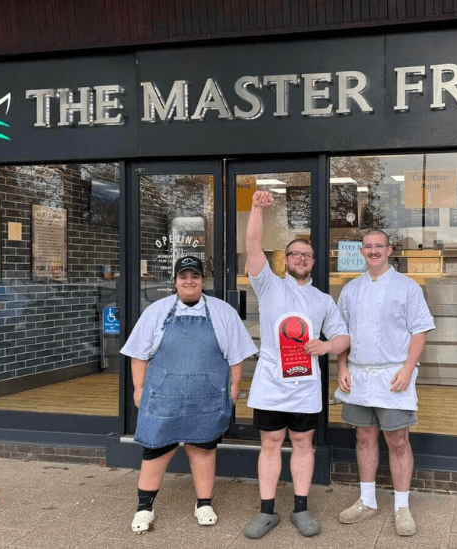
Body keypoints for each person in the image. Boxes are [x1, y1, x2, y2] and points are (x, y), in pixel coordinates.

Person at [121, 256, 258, 534]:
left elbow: (237, 355)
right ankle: (144, 507)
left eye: (194, 276)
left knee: (203, 449)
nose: (189, 281)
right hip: (164, 395)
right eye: (183, 276)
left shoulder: (222, 312)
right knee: (155, 451)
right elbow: (138, 353)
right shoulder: (157, 311)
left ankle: (204, 503)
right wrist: (138, 388)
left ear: (202, 280)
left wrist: (233, 388)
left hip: (206, 396)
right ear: (175, 281)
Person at [243, 190, 350, 539]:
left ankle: (301, 510)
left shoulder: (322, 300)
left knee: (303, 443)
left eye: (307, 255)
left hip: (305, 385)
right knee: (271, 443)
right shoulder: (269, 286)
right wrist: (257, 210)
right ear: (285, 260)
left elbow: (343, 338)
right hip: (272, 382)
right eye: (295, 254)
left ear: (314, 262)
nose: (302, 258)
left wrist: (325, 345)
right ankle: (267, 511)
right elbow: (254, 248)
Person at [334, 229, 435, 537]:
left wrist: (408, 369)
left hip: (394, 376)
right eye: (368, 246)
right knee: (364, 437)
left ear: (389, 250)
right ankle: (367, 500)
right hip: (359, 376)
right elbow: (342, 335)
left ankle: (401, 506)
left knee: (398, 440)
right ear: (361, 251)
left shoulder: (408, 288)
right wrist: (341, 367)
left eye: (379, 246)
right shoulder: (351, 290)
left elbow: (420, 331)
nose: (374, 250)